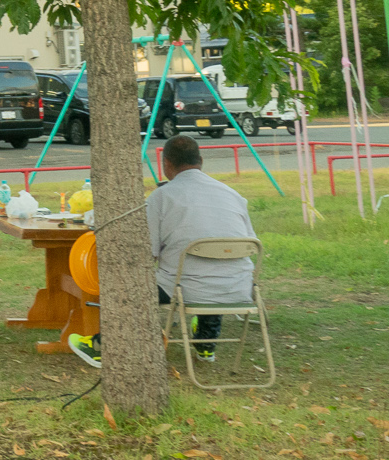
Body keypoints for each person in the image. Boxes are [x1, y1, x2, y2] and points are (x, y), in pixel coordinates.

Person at [69, 134, 256, 368]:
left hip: (184, 289)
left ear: (166, 163)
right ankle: (207, 343)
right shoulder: (234, 196)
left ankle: (102, 346)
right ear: (201, 160)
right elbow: (248, 243)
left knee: (131, 281)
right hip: (237, 288)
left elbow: (147, 252)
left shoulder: (161, 197)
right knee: (212, 265)